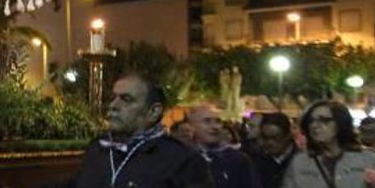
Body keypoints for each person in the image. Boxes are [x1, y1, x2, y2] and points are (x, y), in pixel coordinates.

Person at [58, 73, 213, 187]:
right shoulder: (97, 149)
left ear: (153, 112)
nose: (113, 105)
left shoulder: (182, 161)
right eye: (114, 97)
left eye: (126, 100)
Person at [283, 100, 375, 187]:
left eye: (324, 120)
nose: (315, 125)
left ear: (341, 123)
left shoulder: (370, 158)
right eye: (311, 121)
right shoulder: (299, 162)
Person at [189, 104, 261, 188]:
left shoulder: (239, 160)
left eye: (218, 121)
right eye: (207, 121)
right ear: (192, 125)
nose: (215, 126)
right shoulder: (183, 158)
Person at [249, 112, 297, 188]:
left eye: (275, 138)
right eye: (265, 138)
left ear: (288, 136)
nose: (270, 142)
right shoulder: (256, 161)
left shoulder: (303, 160)